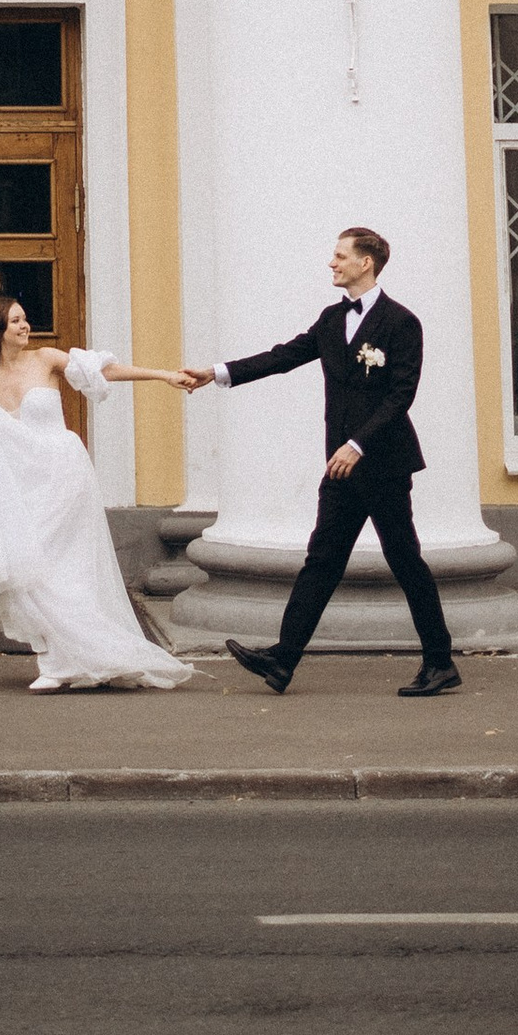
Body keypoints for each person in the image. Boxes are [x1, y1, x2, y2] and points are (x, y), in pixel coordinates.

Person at [183, 227, 461, 698]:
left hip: (383, 464)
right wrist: (218, 373)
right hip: (340, 468)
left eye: (339, 256)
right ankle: (283, 658)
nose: (331, 264)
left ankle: (440, 662)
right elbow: (285, 356)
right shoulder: (332, 320)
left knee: (405, 560)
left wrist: (358, 444)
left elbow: (401, 396)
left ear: (366, 262)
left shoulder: (401, 322)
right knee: (322, 561)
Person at [0, 291, 196, 693]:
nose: (25, 326)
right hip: (26, 485)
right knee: (30, 568)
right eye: (15, 321)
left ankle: (63, 663)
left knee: (69, 569)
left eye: (25, 318)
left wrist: (162, 375)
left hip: (64, 475)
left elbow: (105, 372)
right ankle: (62, 657)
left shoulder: (46, 359)